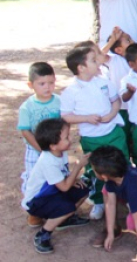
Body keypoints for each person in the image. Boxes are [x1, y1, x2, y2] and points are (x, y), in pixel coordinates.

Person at [61, 45, 128, 221]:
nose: (98, 61)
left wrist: (112, 114)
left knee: (122, 163)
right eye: (93, 60)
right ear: (81, 68)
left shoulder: (104, 82)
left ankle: (127, 196)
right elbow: (66, 116)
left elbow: (116, 101)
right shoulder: (71, 91)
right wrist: (86, 118)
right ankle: (99, 200)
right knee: (95, 170)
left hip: (113, 132)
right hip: (91, 138)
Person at [22, 119, 90, 254]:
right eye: (66, 137)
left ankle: (64, 220)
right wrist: (79, 166)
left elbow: (63, 174)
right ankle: (43, 234)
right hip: (36, 202)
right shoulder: (48, 161)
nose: (71, 138)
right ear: (53, 146)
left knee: (83, 189)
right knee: (68, 207)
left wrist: (72, 178)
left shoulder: (60, 152)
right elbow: (64, 188)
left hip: (52, 192)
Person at [90, 146, 137, 261]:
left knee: (132, 223)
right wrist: (110, 233)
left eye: (94, 170)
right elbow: (110, 204)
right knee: (106, 191)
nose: (93, 171)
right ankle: (119, 223)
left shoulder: (133, 186)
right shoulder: (113, 178)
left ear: (104, 176)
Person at [18, 62, 61, 205]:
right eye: (41, 83)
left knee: (57, 173)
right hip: (35, 148)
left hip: (56, 147)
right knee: (33, 175)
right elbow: (25, 131)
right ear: (31, 85)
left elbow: (63, 124)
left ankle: (54, 203)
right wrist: (41, 149)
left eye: (51, 82)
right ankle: (31, 204)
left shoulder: (59, 102)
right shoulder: (27, 107)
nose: (47, 87)